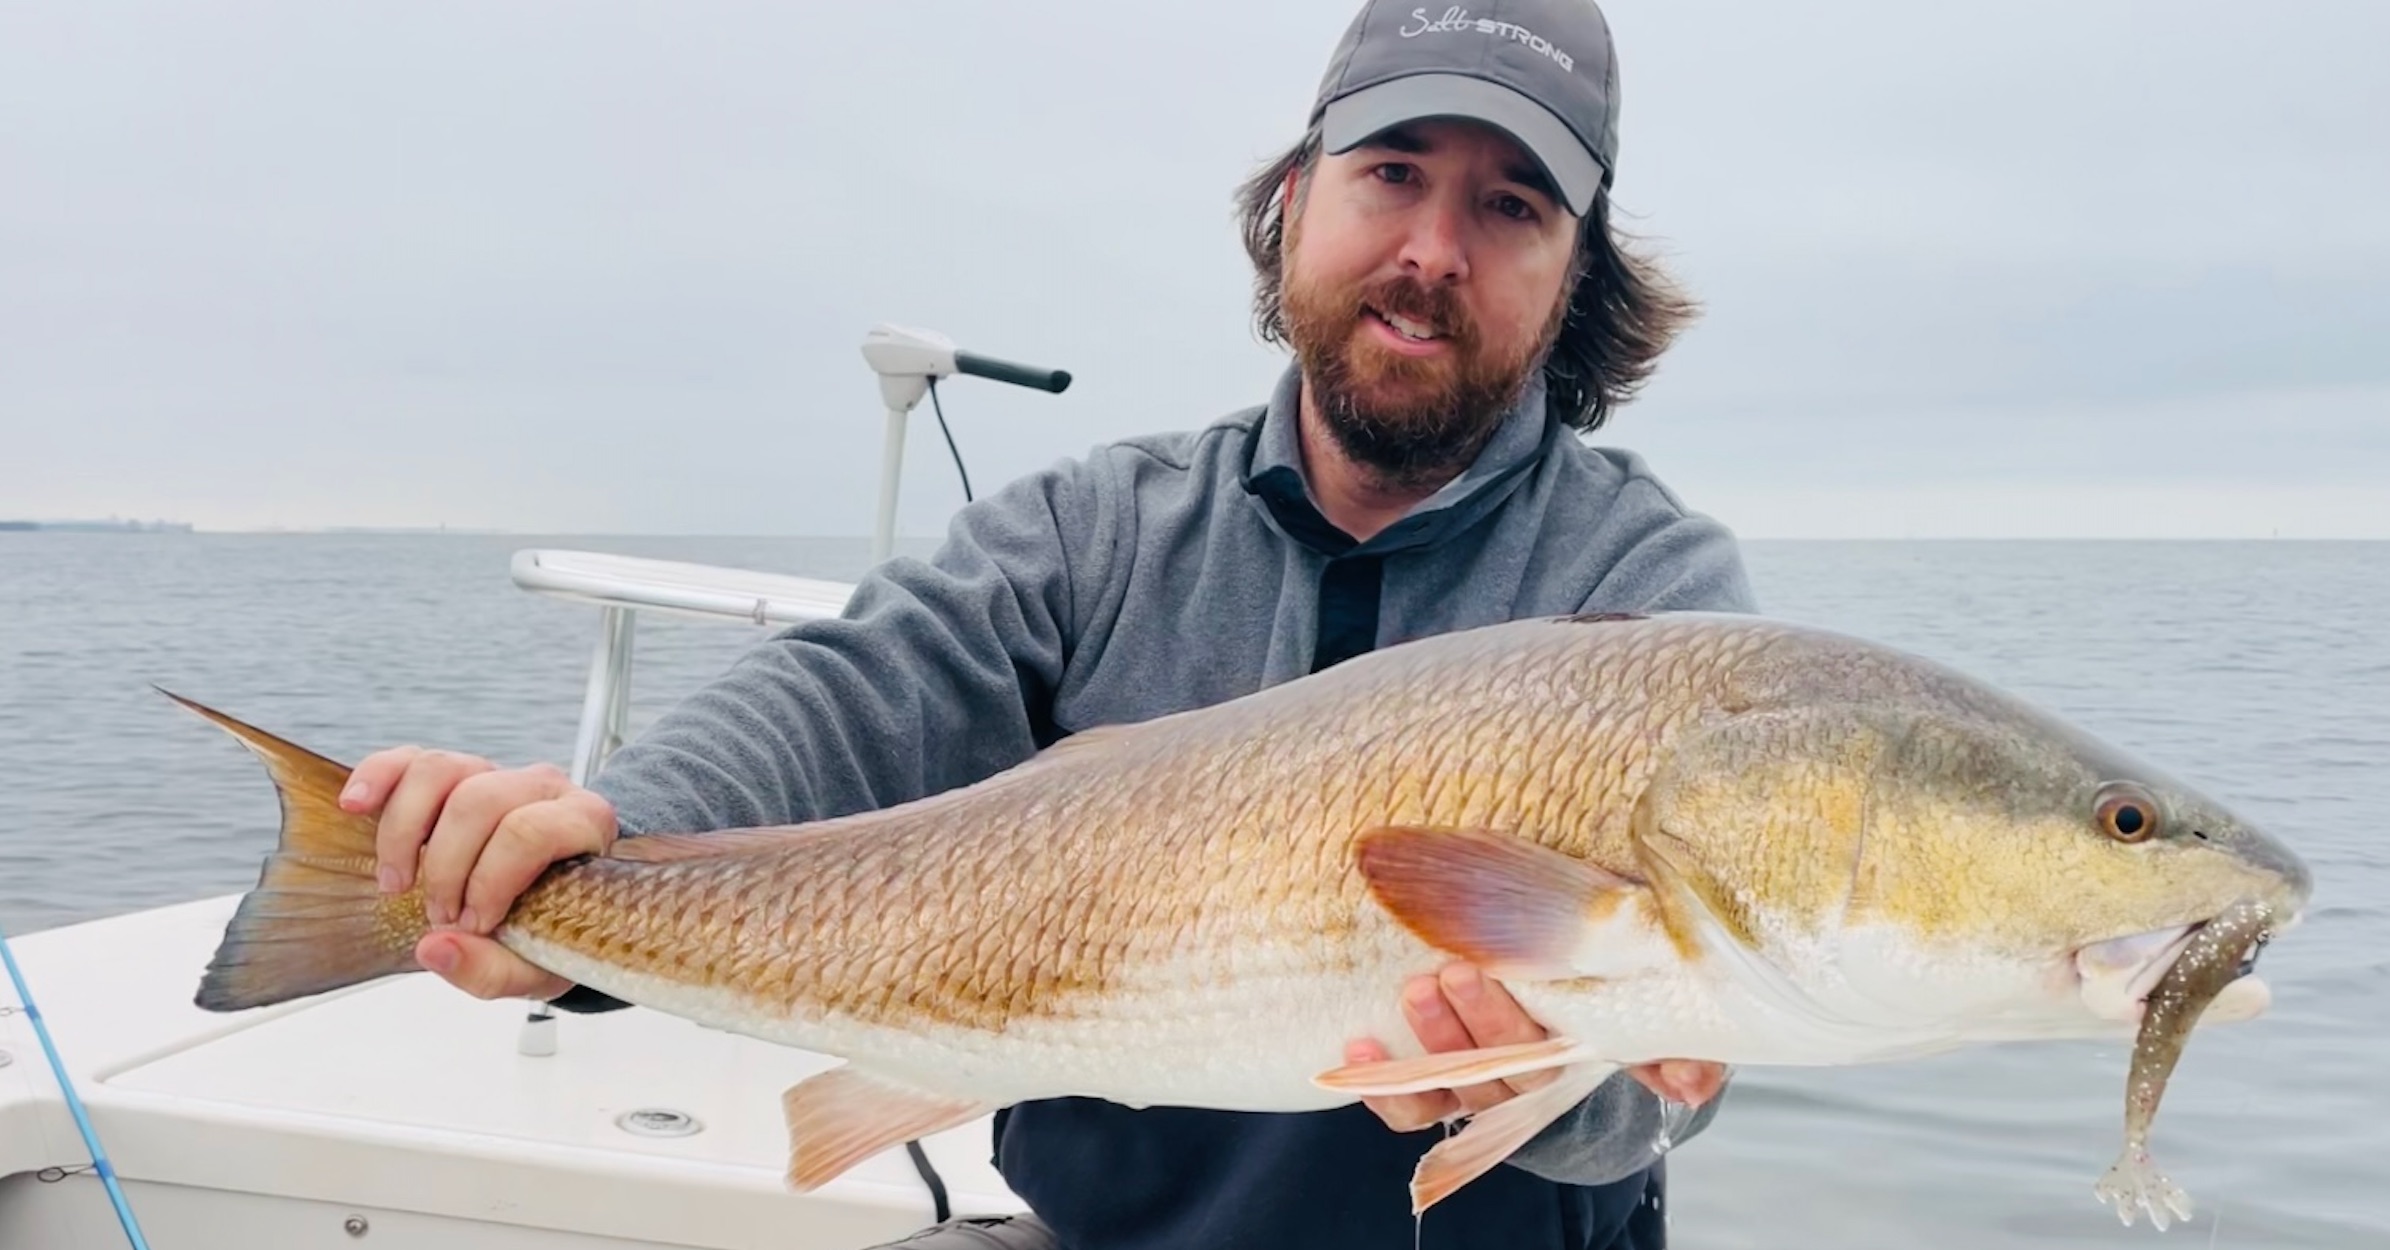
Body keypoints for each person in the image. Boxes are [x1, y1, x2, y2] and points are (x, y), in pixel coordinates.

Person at [338, 1, 1757, 1246]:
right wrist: (575, 850)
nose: (1434, 249)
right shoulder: (1099, 530)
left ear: (1577, 275)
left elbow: (1665, 1085)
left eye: (1512, 206)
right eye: (1391, 173)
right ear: (1292, 201)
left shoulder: (1650, 596)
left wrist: (1565, 1098)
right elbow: (852, 695)